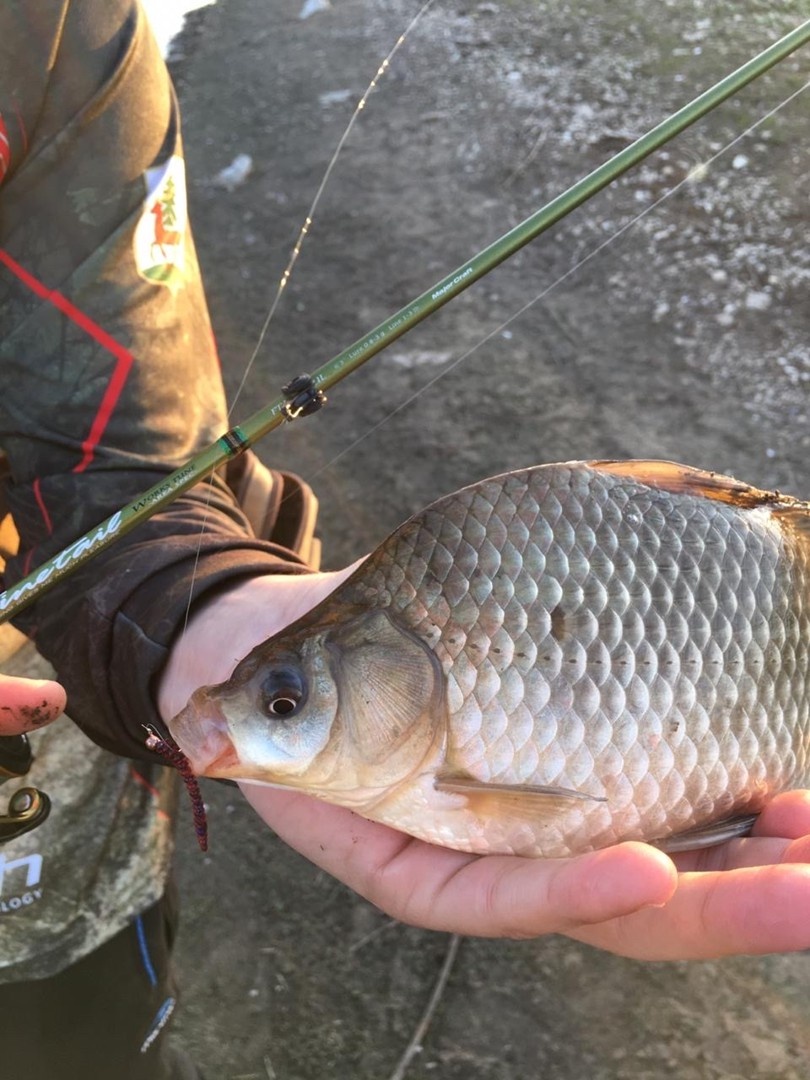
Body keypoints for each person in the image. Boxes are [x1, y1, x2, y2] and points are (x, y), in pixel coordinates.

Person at [2, 0, 810, 1076]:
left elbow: (111, 450)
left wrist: (199, 609)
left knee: (81, 1034)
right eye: (282, 699)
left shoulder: (53, 27)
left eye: (284, 698)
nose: (249, 716)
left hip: (34, 803)